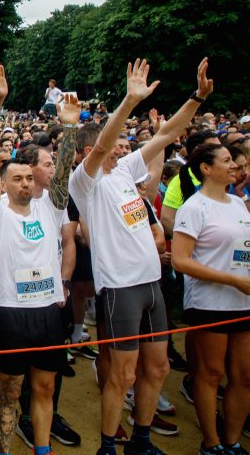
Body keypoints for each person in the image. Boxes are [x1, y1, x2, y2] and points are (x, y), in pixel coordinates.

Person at [68, 58, 213, 455]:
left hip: (152, 284)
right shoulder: (86, 179)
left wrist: (197, 97)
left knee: (159, 368)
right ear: (93, 148)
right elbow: (102, 144)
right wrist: (128, 103)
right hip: (119, 288)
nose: (125, 144)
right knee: (123, 373)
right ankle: (109, 447)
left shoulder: (124, 170)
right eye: (119, 141)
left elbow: (167, 134)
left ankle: (142, 441)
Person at [0, 95, 79, 455]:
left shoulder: (49, 209)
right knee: (9, 392)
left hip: (49, 309)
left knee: (46, 389)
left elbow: (64, 171)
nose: (23, 182)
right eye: (15, 178)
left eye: (27, 177)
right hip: (11, 312)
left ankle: (42, 448)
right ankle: (6, 451)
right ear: (5, 185)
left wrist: (68, 128)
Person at [171, 143, 250, 455]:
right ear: (206, 168)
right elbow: (181, 260)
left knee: (243, 376)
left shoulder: (239, 204)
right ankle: (212, 443)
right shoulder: (194, 207)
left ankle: (232, 441)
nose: (235, 166)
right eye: (228, 160)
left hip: (243, 302)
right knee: (212, 374)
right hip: (209, 303)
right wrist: (232, 280)